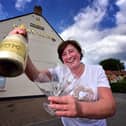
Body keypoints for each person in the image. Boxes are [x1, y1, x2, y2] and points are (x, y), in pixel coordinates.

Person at [9, 28, 116, 126]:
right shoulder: (60, 71)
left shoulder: (96, 70)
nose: (68, 56)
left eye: (71, 51)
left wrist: (79, 109)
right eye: (64, 54)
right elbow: (36, 76)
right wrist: (23, 47)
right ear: (62, 59)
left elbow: (109, 107)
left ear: (79, 53)